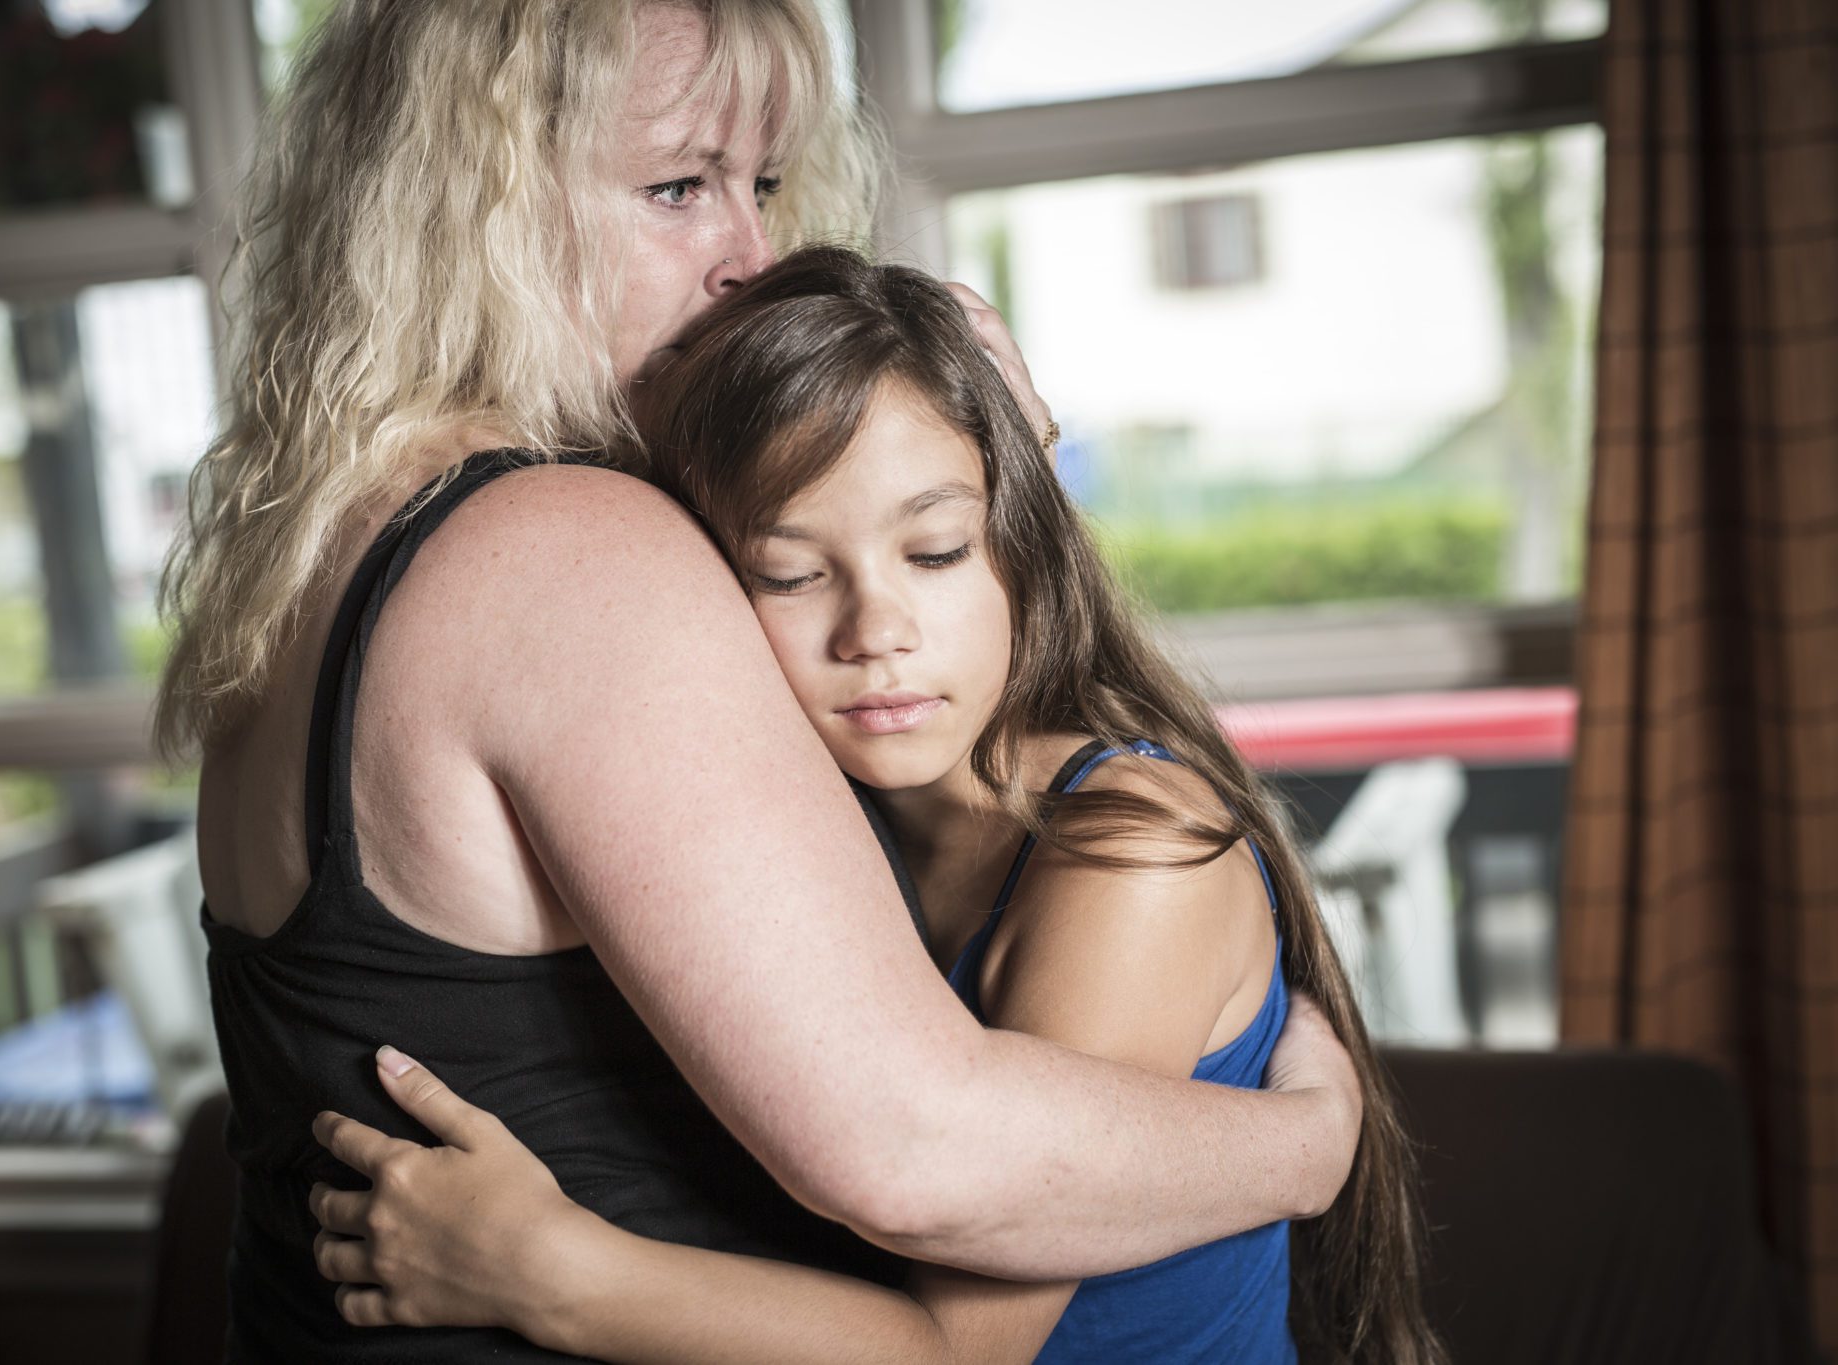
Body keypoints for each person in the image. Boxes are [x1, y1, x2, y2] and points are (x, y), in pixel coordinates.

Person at [158, 3, 1366, 1361]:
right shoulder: (563, 552)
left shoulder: (322, 553)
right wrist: (1306, 1145)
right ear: (473, 210)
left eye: (767, 183)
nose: (751, 257)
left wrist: (967, 464)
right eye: (679, 186)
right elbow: (915, 1152)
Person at [306, 247, 1444, 1363]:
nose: (875, 632)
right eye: (792, 574)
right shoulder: (820, 828)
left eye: (936, 551)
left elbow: (956, 1353)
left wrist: (550, 1275)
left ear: (1018, 543)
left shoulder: (1127, 856)